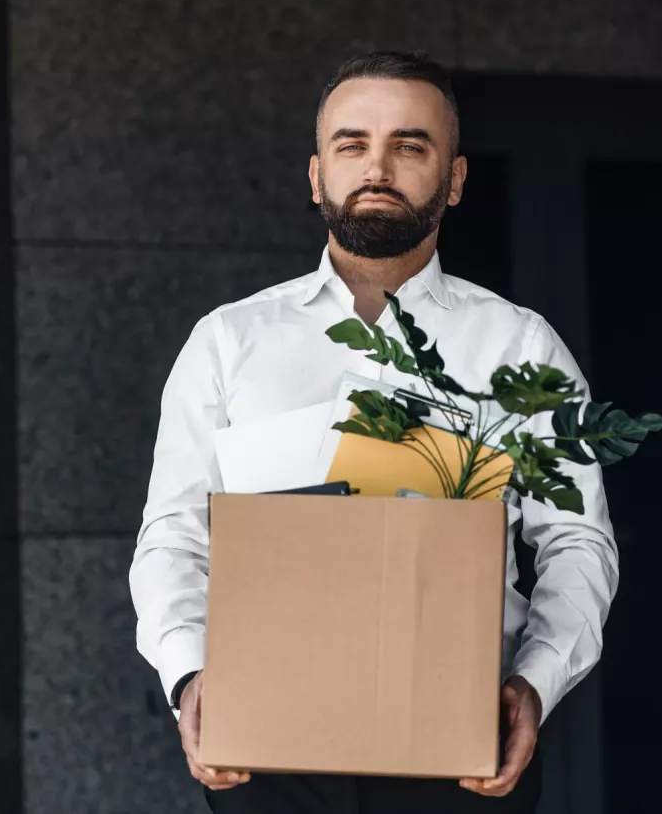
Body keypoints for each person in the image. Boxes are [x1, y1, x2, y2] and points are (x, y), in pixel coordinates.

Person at [130, 50, 618, 813]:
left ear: (454, 179)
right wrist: (190, 676)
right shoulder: (229, 341)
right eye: (352, 144)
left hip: (464, 746)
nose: (378, 167)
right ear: (317, 175)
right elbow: (173, 537)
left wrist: (534, 683)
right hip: (269, 748)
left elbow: (577, 541)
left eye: (410, 145)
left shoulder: (521, 348)